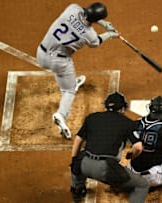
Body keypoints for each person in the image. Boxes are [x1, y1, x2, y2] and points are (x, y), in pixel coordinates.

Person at [36, 2, 119, 139]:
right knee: (69, 90)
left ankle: (69, 81)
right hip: (59, 62)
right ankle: (61, 115)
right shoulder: (90, 35)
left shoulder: (72, 8)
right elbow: (97, 41)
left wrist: (103, 23)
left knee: (65, 74)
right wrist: (109, 33)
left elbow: (85, 13)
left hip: (41, 54)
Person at [69, 92, 150, 203]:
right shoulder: (127, 123)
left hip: (84, 164)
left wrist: (74, 161)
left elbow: (78, 140)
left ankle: (77, 191)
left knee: (77, 163)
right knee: (142, 185)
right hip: (105, 169)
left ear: (106, 106)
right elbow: (138, 147)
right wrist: (132, 155)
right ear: (122, 108)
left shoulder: (92, 118)